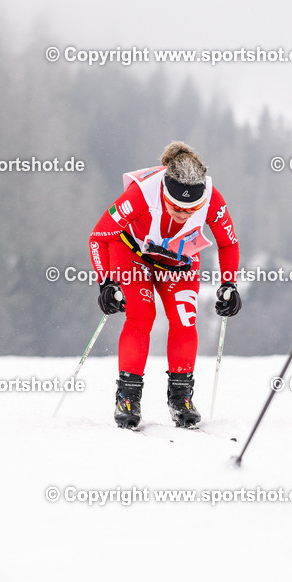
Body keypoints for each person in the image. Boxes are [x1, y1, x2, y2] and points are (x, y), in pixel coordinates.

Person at [89, 142, 241, 429]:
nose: (183, 215)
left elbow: (228, 243)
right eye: (175, 207)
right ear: (163, 192)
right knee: (141, 316)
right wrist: (106, 281)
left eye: (191, 209)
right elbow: (99, 236)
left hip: (180, 261)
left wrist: (229, 284)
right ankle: (127, 398)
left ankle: (181, 397)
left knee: (185, 319)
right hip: (133, 255)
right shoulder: (141, 194)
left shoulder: (213, 198)